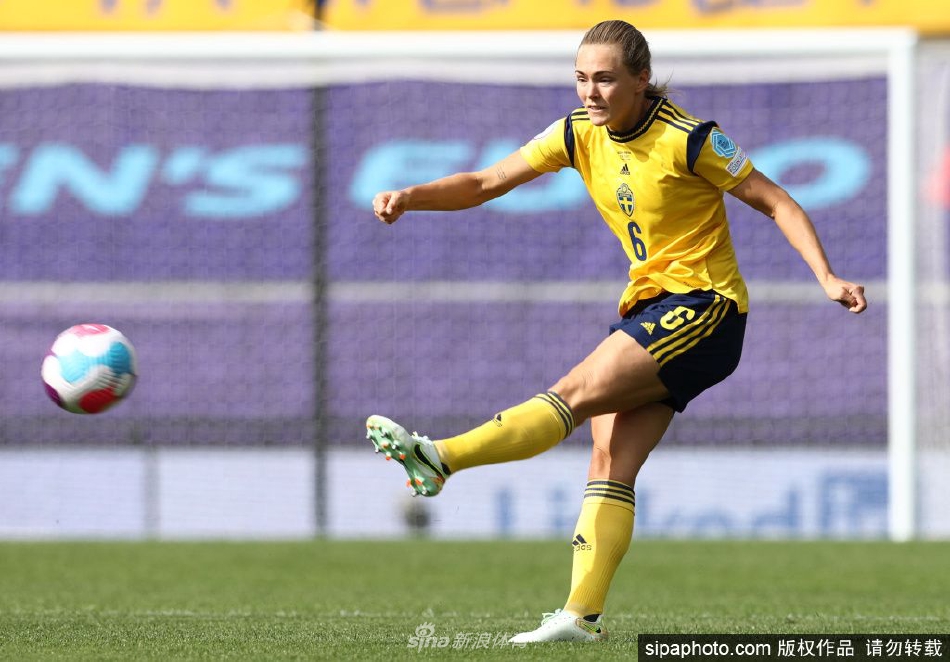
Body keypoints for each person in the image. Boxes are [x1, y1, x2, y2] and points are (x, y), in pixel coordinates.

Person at [365, 19, 867, 643]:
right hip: (649, 310)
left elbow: (777, 201)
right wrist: (411, 195)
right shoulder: (576, 133)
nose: (590, 92)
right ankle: (581, 616)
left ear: (640, 80)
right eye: (581, 78)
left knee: (574, 392)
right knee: (609, 460)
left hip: (705, 309)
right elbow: (487, 182)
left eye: (604, 79)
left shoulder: (690, 139)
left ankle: (441, 458)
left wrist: (825, 276)